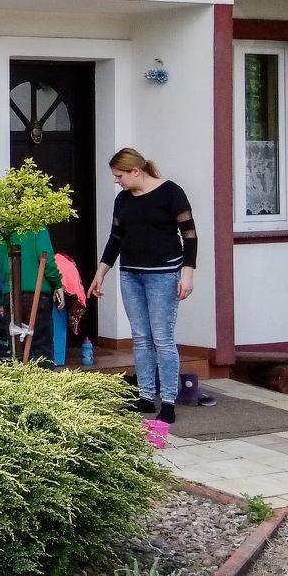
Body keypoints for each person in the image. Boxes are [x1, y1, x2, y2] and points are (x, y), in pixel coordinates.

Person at [87, 147, 197, 423]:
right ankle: (146, 397)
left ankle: (169, 402)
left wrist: (187, 274)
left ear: (136, 171)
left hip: (163, 274)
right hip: (130, 275)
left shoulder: (171, 192)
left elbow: (190, 237)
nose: (117, 181)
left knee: (162, 338)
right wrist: (102, 272)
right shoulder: (123, 200)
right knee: (141, 338)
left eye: (120, 175)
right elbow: (115, 238)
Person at [0, 225, 65, 362]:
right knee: (42, 351)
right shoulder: (37, 229)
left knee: (17, 349)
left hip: (11, 297)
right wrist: (57, 284)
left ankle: (21, 380)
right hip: (38, 296)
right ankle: (45, 381)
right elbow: (47, 260)